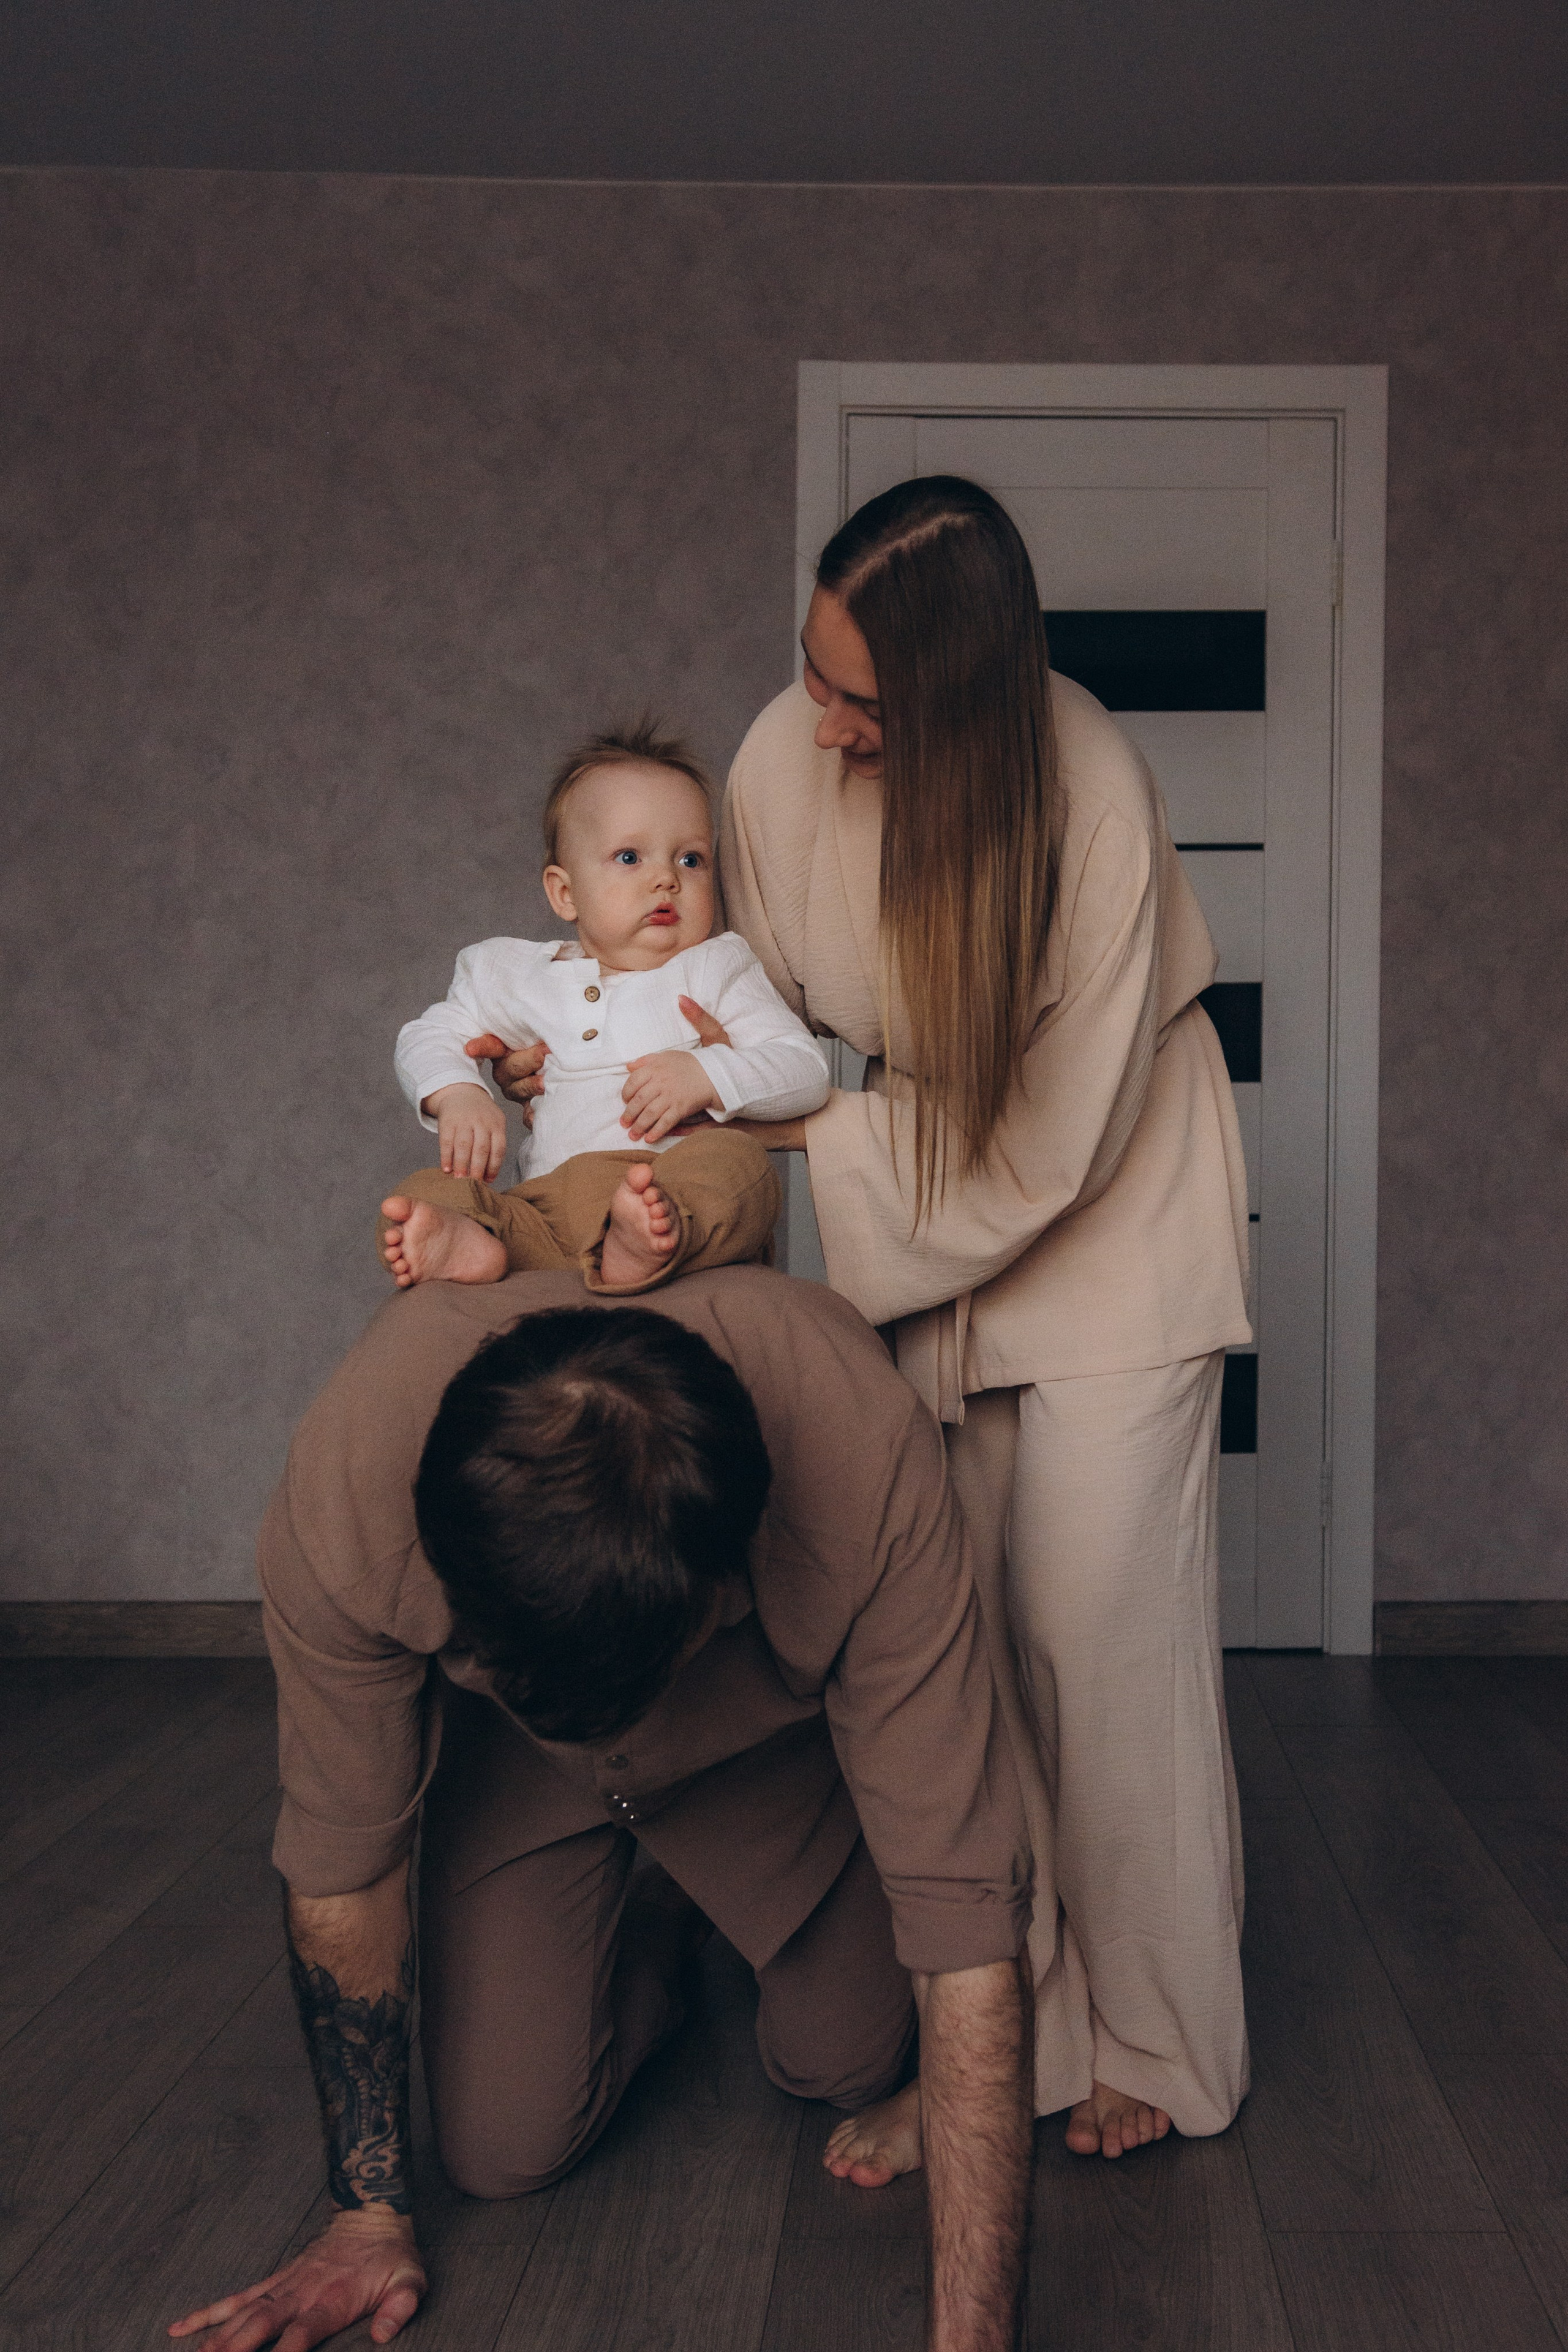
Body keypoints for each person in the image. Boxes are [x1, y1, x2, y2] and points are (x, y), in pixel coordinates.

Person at [169, 1267, 1036, 2352]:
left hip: (758, 1754)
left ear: (717, 1599)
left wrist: (972, 2339)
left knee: (845, 2062)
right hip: (519, 1776)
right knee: (499, 2150)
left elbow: (963, 1917)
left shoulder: (863, 1453)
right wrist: (367, 2213)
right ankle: (662, 1926)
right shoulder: (348, 1478)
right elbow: (344, 1860)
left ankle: (697, 1890)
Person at [709, 475, 1255, 2168]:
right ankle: (1005, 2049)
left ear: (967, 696)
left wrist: (814, 1137)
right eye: (812, 668)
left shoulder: (1088, 788)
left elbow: (1047, 1148)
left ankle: (1162, 2047)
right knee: (956, 1659)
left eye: (861, 699)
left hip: (1105, 1200)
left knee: (1104, 1648)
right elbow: (745, 1010)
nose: (821, 720)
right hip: (925, 1197)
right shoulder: (772, 760)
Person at [379, 722, 827, 1298]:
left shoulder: (717, 968)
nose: (666, 878)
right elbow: (430, 1033)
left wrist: (709, 1074)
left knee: (739, 1164)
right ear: (565, 893)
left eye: (691, 860)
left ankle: (644, 1241)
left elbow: (805, 1071)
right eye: (629, 856)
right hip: (540, 1210)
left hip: (669, 1193)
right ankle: (465, 1240)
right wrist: (457, 1093)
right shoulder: (516, 975)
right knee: (423, 1193)